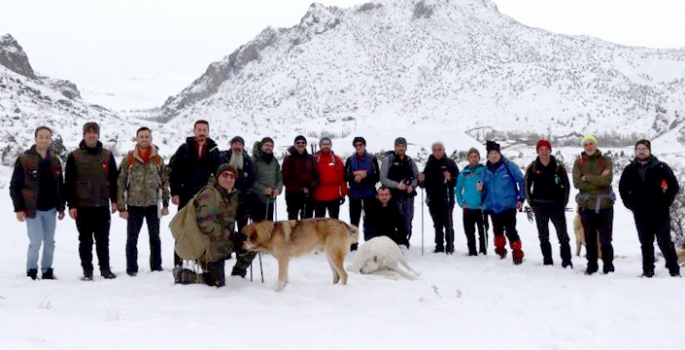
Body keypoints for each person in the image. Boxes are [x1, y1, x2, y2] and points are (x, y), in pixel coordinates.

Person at [10, 126, 65, 280]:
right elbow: (15, 186)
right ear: (35, 138)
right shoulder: (24, 159)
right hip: (32, 209)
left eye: (47, 137)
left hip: (51, 209)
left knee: (50, 242)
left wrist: (61, 207)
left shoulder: (55, 160)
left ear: (50, 139)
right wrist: (19, 208)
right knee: (35, 242)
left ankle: (47, 270)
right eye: (41, 136)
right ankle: (31, 271)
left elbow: (60, 185)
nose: (44, 139)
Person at [619, 140, 681, 277]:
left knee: (665, 241)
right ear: (635, 152)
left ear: (649, 151)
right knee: (645, 242)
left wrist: (666, 202)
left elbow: (674, 186)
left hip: (660, 212)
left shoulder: (661, 167)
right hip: (641, 213)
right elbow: (622, 190)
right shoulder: (629, 170)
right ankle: (648, 271)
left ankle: (674, 270)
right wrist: (631, 205)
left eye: (644, 149)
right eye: (638, 149)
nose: (641, 152)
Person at [65, 122, 119, 280]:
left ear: (98, 135)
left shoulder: (107, 155)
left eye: (94, 132)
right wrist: (72, 205)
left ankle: (105, 269)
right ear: (83, 135)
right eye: (88, 132)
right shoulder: (74, 156)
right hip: (82, 206)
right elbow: (68, 182)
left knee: (103, 241)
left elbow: (114, 179)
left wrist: (114, 200)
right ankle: (87, 271)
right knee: (85, 241)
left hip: (102, 205)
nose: (91, 135)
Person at [116, 127, 170, 276]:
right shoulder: (129, 159)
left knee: (155, 237)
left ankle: (156, 267)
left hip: (153, 204)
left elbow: (165, 182)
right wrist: (121, 207)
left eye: (147, 136)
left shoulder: (158, 159)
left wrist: (165, 204)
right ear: (137, 139)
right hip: (134, 205)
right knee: (132, 239)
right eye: (141, 137)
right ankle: (131, 269)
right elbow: (120, 182)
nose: (144, 139)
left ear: (151, 139)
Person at [169, 120, 220, 267]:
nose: (202, 132)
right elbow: (175, 172)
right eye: (199, 129)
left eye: (204, 130)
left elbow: (217, 174)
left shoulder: (213, 150)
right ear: (194, 131)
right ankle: (178, 262)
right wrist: (175, 192)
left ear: (208, 132)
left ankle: (202, 261)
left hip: (204, 196)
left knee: (204, 228)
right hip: (185, 194)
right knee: (183, 227)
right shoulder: (184, 149)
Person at [193, 165, 255, 286]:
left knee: (253, 243)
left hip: (224, 241)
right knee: (216, 283)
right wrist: (231, 236)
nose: (228, 179)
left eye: (232, 176)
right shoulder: (209, 194)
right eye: (225, 175)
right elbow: (206, 225)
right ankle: (187, 276)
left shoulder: (234, 195)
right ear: (218, 177)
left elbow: (238, 215)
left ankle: (238, 274)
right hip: (208, 245)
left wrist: (247, 209)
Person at [524, 140, 572, 268]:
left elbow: (567, 185)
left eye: (546, 149)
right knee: (543, 236)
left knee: (563, 236)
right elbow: (526, 186)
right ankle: (547, 260)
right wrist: (531, 203)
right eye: (541, 149)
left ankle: (566, 261)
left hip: (556, 206)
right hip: (539, 206)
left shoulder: (558, 166)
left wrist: (563, 203)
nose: (544, 152)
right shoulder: (533, 167)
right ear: (537, 151)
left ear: (550, 150)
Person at [572, 135, 615, 275]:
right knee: (589, 239)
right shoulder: (578, 163)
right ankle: (592, 265)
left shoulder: (605, 160)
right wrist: (598, 179)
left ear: (595, 145)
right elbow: (577, 183)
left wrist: (587, 178)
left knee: (606, 239)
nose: (589, 146)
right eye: (586, 144)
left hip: (605, 206)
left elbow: (607, 181)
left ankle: (608, 266)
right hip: (587, 207)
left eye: (591, 144)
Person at [478, 140, 526, 265]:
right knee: (497, 230)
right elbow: (482, 187)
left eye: (495, 153)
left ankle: (517, 252)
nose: (493, 156)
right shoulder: (485, 170)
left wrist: (521, 198)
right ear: (488, 155)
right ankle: (500, 250)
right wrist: (481, 189)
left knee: (510, 230)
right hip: (493, 206)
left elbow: (522, 181)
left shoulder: (509, 166)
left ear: (499, 153)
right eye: (491, 153)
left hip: (509, 205)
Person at [418, 142, 459, 254]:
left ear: (443, 150)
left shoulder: (450, 163)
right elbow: (423, 185)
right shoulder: (429, 164)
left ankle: (450, 246)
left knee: (448, 224)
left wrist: (450, 178)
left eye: (439, 149)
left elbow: (457, 181)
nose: (437, 152)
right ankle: (439, 246)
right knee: (437, 225)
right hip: (432, 199)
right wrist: (421, 179)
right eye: (435, 149)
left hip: (447, 199)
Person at [380, 137, 419, 248]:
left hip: (407, 196)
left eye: (403, 146)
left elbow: (417, 177)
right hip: (392, 195)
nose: (401, 148)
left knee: (407, 218)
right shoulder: (389, 160)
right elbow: (383, 178)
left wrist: (412, 186)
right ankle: (392, 241)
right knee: (392, 218)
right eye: (399, 146)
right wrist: (397, 185)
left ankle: (404, 239)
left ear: (405, 147)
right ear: (395, 147)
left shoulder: (410, 161)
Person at [345, 136, 380, 249]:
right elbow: (345, 176)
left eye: (360, 144)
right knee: (354, 220)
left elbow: (377, 177)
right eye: (356, 145)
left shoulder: (372, 158)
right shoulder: (350, 159)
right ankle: (353, 243)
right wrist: (354, 175)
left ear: (364, 145)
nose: (358, 147)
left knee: (370, 218)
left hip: (369, 193)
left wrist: (365, 176)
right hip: (355, 193)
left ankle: (369, 241)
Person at [219, 136, 255, 234]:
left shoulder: (247, 160)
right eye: (235, 144)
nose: (238, 147)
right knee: (226, 228)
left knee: (243, 228)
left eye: (240, 144)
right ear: (231, 145)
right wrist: (242, 175)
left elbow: (251, 178)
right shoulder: (223, 157)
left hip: (242, 199)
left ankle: (242, 248)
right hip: (225, 198)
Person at [456, 148, 487, 256]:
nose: (474, 159)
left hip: (481, 207)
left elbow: (489, 188)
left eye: (476, 156)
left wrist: (486, 202)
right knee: (469, 232)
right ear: (468, 158)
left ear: (479, 157)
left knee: (482, 232)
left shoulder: (484, 171)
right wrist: (461, 203)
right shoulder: (463, 173)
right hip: (468, 208)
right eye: (471, 157)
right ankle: (472, 251)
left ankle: (483, 251)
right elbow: (458, 190)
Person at [282, 135, 318, 220]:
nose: (300, 144)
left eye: (303, 142)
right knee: (293, 222)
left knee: (307, 221)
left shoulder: (311, 158)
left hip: (308, 195)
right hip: (293, 195)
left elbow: (316, 176)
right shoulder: (288, 159)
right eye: (298, 143)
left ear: (306, 144)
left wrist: (310, 187)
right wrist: (300, 189)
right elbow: (285, 178)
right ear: (294, 144)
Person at [313, 137, 348, 219]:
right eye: (324, 144)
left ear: (331, 146)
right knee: (319, 223)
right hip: (319, 196)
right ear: (320, 146)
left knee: (334, 222)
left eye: (328, 144)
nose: (326, 146)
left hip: (334, 196)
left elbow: (342, 177)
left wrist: (343, 193)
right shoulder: (314, 159)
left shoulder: (336, 159)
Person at [251, 137, 282, 221]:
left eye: (271, 146)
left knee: (269, 225)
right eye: (266, 145)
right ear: (261, 146)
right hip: (257, 199)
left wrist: (278, 189)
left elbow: (279, 177)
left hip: (270, 199)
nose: (269, 147)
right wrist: (263, 189)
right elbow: (251, 180)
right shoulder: (254, 160)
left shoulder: (274, 161)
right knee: (258, 228)